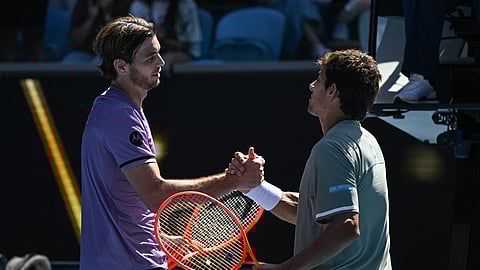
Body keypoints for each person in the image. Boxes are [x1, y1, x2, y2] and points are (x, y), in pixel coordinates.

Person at [80, 15, 264, 269]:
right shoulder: (120, 116)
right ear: (121, 66)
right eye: (149, 58)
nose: (161, 62)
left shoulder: (113, 107)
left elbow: (125, 197)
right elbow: (155, 195)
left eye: (158, 53)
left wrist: (162, 238)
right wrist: (233, 181)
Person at [228, 49, 391, 269]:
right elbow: (313, 214)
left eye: (319, 80)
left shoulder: (332, 148)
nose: (312, 86)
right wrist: (255, 188)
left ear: (332, 91)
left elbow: (346, 226)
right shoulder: (366, 141)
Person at [129, 0, 202, 65]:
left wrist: (173, 56)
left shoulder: (186, 5)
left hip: (178, 59)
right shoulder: (139, 6)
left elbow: (193, 50)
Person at [63, 0, 131, 63]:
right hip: (85, 52)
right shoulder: (85, 3)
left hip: (110, 54)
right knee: (68, 62)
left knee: (98, 65)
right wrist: (91, 18)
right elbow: (75, 40)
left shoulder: (126, 4)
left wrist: (107, 13)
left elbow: (122, 41)